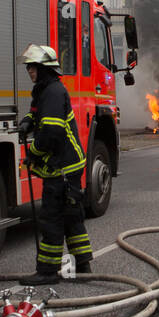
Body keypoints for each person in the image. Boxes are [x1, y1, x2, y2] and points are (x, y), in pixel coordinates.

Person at [18, 44, 94, 284]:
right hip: (69, 165)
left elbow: (51, 132)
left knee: (51, 218)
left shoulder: (51, 92)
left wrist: (33, 153)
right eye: (29, 67)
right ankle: (83, 265)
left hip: (62, 167)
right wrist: (27, 122)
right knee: (71, 215)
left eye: (32, 67)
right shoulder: (47, 90)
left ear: (44, 69)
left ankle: (47, 271)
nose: (29, 71)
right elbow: (38, 114)